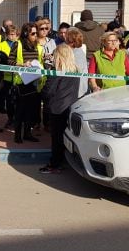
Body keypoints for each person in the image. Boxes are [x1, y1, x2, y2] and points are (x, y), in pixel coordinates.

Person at [39, 44, 80, 174]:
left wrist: (41, 94)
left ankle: (55, 165)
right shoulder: (75, 70)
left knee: (56, 138)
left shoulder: (56, 72)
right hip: (70, 106)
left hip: (56, 108)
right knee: (65, 137)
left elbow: (47, 91)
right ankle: (62, 161)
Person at [8, 22, 43, 143]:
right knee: (20, 110)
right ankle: (17, 135)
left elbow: (40, 62)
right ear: (25, 33)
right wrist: (22, 65)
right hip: (21, 82)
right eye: (33, 33)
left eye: (36, 33)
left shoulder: (38, 46)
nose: (35, 35)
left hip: (34, 82)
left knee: (31, 110)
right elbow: (10, 62)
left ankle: (28, 133)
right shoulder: (17, 44)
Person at [0, 24, 19, 127]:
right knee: (9, 99)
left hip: (19, 77)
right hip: (5, 76)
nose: (12, 36)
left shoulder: (19, 44)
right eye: (10, 34)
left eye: (14, 34)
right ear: (6, 34)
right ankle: (10, 119)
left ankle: (18, 119)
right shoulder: (1, 45)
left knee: (17, 100)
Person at [65, 27, 88, 97]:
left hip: (76, 90)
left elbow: (76, 71)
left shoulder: (78, 52)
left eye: (66, 35)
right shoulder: (72, 50)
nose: (64, 37)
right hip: (72, 89)